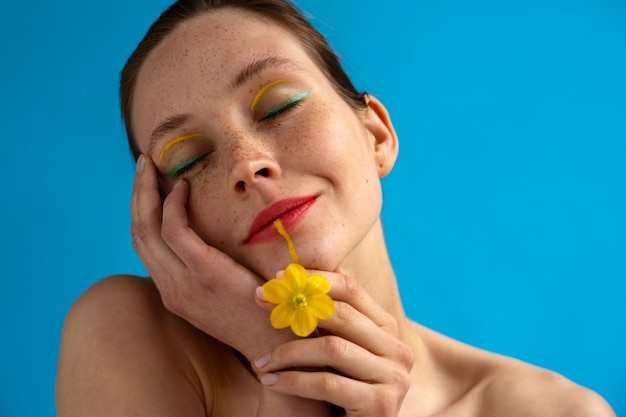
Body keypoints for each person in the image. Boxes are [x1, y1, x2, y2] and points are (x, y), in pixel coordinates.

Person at [55, 1, 616, 416]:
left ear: (376, 134)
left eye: (281, 106)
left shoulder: (553, 411)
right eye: (190, 159)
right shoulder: (126, 332)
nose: (247, 165)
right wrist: (284, 362)